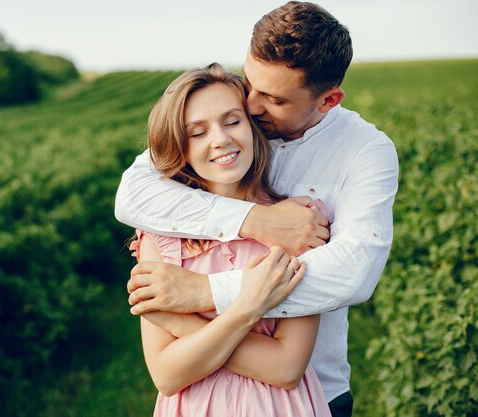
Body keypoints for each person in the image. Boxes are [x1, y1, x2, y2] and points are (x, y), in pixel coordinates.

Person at [115, 2, 399, 417]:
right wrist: (256, 220)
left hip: (310, 391)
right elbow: (133, 194)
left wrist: (201, 298)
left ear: (328, 100)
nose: (250, 105)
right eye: (249, 83)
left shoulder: (365, 153)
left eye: (273, 98)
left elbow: (352, 273)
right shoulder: (233, 122)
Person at [131, 62, 331, 417]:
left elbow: (286, 368)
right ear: (180, 148)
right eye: (197, 132)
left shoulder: (295, 224)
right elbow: (166, 374)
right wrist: (247, 308)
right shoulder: (161, 239)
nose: (220, 139)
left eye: (232, 121)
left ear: (252, 127)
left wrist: (186, 325)